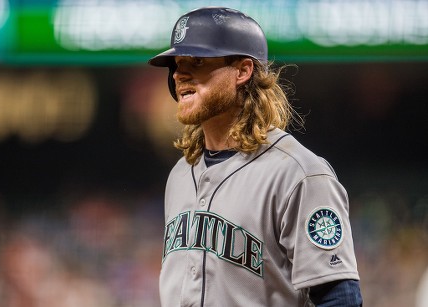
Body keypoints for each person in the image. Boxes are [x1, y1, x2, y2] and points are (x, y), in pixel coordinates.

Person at [148, 7, 363, 307]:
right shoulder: (181, 174)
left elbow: (340, 299)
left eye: (197, 61)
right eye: (177, 63)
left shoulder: (298, 174)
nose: (180, 74)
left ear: (242, 71)